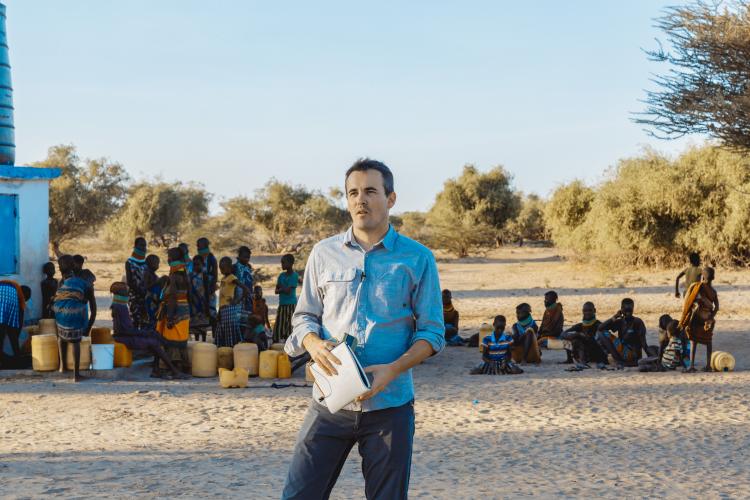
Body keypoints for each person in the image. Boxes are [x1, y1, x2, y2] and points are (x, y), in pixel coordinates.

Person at [282, 159, 444, 499]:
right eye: (353, 192)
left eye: (371, 191)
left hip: (390, 407)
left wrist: (393, 370)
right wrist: (312, 343)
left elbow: (432, 333)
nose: (361, 200)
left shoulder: (418, 258)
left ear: (391, 198)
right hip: (328, 405)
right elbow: (303, 318)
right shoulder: (323, 253)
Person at [109, 282, 188, 380]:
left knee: (155, 338)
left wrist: (145, 332)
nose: (128, 293)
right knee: (154, 341)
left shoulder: (118, 305)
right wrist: (145, 333)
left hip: (123, 335)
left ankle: (157, 369)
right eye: (126, 291)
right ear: (121, 293)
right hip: (123, 337)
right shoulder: (121, 307)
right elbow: (126, 330)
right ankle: (174, 371)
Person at [53, 255, 96, 381]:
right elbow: (93, 309)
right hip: (75, 315)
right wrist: (88, 327)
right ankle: (76, 375)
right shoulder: (84, 282)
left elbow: (57, 298)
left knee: (61, 337)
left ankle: (62, 367)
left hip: (60, 314)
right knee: (75, 341)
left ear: (60, 268)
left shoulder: (61, 282)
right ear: (74, 266)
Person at [156, 248, 192, 373]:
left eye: (169, 256)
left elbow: (172, 297)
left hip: (175, 311)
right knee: (181, 340)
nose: (168, 258)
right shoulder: (185, 274)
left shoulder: (174, 277)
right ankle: (184, 366)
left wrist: (170, 317)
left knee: (172, 341)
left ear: (171, 259)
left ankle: (174, 369)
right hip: (185, 310)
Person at [679, 266, 719, 372]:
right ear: (713, 278)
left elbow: (691, 299)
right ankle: (708, 366)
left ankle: (691, 366)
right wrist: (711, 318)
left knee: (693, 340)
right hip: (709, 320)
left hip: (698, 317)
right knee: (708, 341)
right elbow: (717, 307)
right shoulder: (713, 291)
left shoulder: (698, 287)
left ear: (702, 276)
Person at [596, 298, 649, 369]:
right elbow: (600, 328)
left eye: (630, 310)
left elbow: (643, 343)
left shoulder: (637, 322)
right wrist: (615, 316)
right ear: (621, 310)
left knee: (601, 334)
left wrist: (648, 357)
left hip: (633, 355)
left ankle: (619, 361)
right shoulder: (620, 322)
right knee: (601, 333)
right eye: (626, 310)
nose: (628, 312)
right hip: (622, 352)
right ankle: (617, 360)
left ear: (633, 309)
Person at [214, 256, 250, 348]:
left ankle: (233, 350)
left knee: (230, 331)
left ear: (229, 267)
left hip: (230, 309)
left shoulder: (232, 278)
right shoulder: (223, 279)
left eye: (223, 268)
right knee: (223, 330)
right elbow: (221, 299)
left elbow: (245, 289)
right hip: (223, 310)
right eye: (220, 268)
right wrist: (219, 312)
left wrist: (237, 300)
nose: (221, 270)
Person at [560, 301, 605, 369]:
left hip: (595, 354)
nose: (587, 313)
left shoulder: (598, 325)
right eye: (585, 311)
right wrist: (577, 334)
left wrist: (581, 336)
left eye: (589, 310)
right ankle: (571, 359)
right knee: (571, 338)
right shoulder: (580, 325)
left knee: (578, 339)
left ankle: (582, 361)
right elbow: (563, 334)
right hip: (583, 352)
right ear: (582, 311)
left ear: (594, 311)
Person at [0, 280, 30, 367]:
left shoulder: (13, 284)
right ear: (24, 296)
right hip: (8, 297)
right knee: (11, 333)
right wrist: (15, 335)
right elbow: (19, 319)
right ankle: (17, 360)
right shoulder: (18, 294)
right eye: (26, 299)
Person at [273, 253, 301, 343]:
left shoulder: (294, 276)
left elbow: (288, 291)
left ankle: (291, 344)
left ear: (290, 263)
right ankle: (278, 342)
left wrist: (281, 287)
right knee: (279, 325)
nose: (282, 265)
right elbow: (276, 291)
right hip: (282, 304)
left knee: (290, 325)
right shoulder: (281, 275)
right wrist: (283, 288)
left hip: (291, 304)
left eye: (283, 263)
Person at [125, 237, 148, 329]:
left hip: (145, 294)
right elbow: (129, 281)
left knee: (145, 320)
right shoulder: (129, 262)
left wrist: (145, 291)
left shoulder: (146, 262)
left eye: (145, 245)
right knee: (134, 319)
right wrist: (139, 291)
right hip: (134, 294)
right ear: (135, 246)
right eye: (141, 245)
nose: (143, 248)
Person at [196, 237, 218, 330]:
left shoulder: (211, 258)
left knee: (211, 307)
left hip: (209, 285)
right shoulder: (199, 258)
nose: (197, 247)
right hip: (201, 286)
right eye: (197, 246)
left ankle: (214, 329)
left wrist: (213, 285)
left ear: (205, 245)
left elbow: (215, 272)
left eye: (199, 245)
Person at [189, 255, 210, 342]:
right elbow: (189, 290)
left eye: (198, 264)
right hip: (193, 303)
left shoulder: (204, 276)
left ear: (203, 265)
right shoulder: (190, 276)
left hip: (203, 303)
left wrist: (207, 304)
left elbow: (207, 290)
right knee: (195, 326)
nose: (196, 266)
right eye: (194, 264)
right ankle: (197, 341)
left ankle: (204, 341)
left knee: (203, 325)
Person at [143, 254, 164, 329]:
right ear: (150, 263)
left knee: (155, 316)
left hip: (155, 299)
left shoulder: (152, 274)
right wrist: (158, 282)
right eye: (157, 263)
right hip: (150, 299)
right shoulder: (147, 273)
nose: (158, 265)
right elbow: (145, 287)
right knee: (152, 316)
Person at [234, 246, 254, 312]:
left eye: (248, 257)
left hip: (249, 294)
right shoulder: (234, 267)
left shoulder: (248, 267)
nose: (247, 259)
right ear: (239, 256)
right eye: (245, 257)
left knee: (247, 315)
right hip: (239, 295)